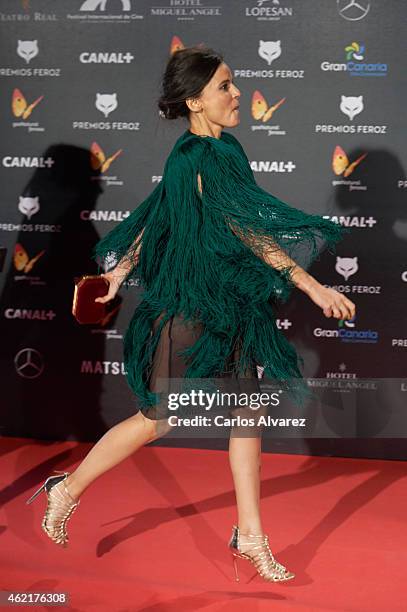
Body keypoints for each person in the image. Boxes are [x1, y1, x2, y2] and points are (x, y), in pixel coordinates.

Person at [26, 46, 355, 583]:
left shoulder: (221, 149)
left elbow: (162, 215)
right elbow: (244, 229)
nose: (237, 93)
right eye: (225, 86)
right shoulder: (195, 157)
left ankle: (250, 536)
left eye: (233, 83)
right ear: (194, 100)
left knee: (247, 416)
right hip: (192, 304)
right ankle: (68, 489)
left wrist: (118, 270)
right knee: (161, 418)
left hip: (235, 303)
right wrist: (311, 284)